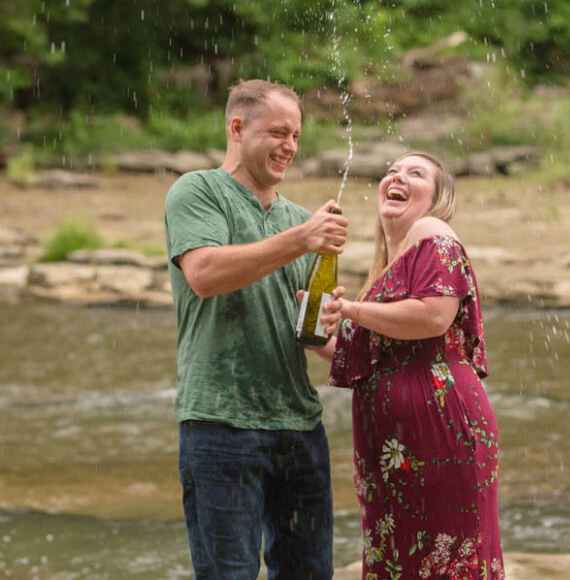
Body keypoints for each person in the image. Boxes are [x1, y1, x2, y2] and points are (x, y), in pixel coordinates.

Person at [164, 79, 348, 580]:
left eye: (296, 136)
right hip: (220, 424)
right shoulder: (197, 191)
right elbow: (204, 275)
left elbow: (311, 335)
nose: (289, 146)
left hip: (299, 427)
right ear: (237, 127)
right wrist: (301, 239)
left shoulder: (294, 219)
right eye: (277, 133)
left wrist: (338, 327)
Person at [322, 151, 505, 580]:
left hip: (438, 433)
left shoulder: (431, 230)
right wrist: (315, 332)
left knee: (443, 562)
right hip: (393, 451)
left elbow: (433, 316)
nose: (396, 177)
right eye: (390, 171)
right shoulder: (387, 269)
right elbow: (367, 358)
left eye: (415, 173)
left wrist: (349, 309)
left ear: (437, 199)